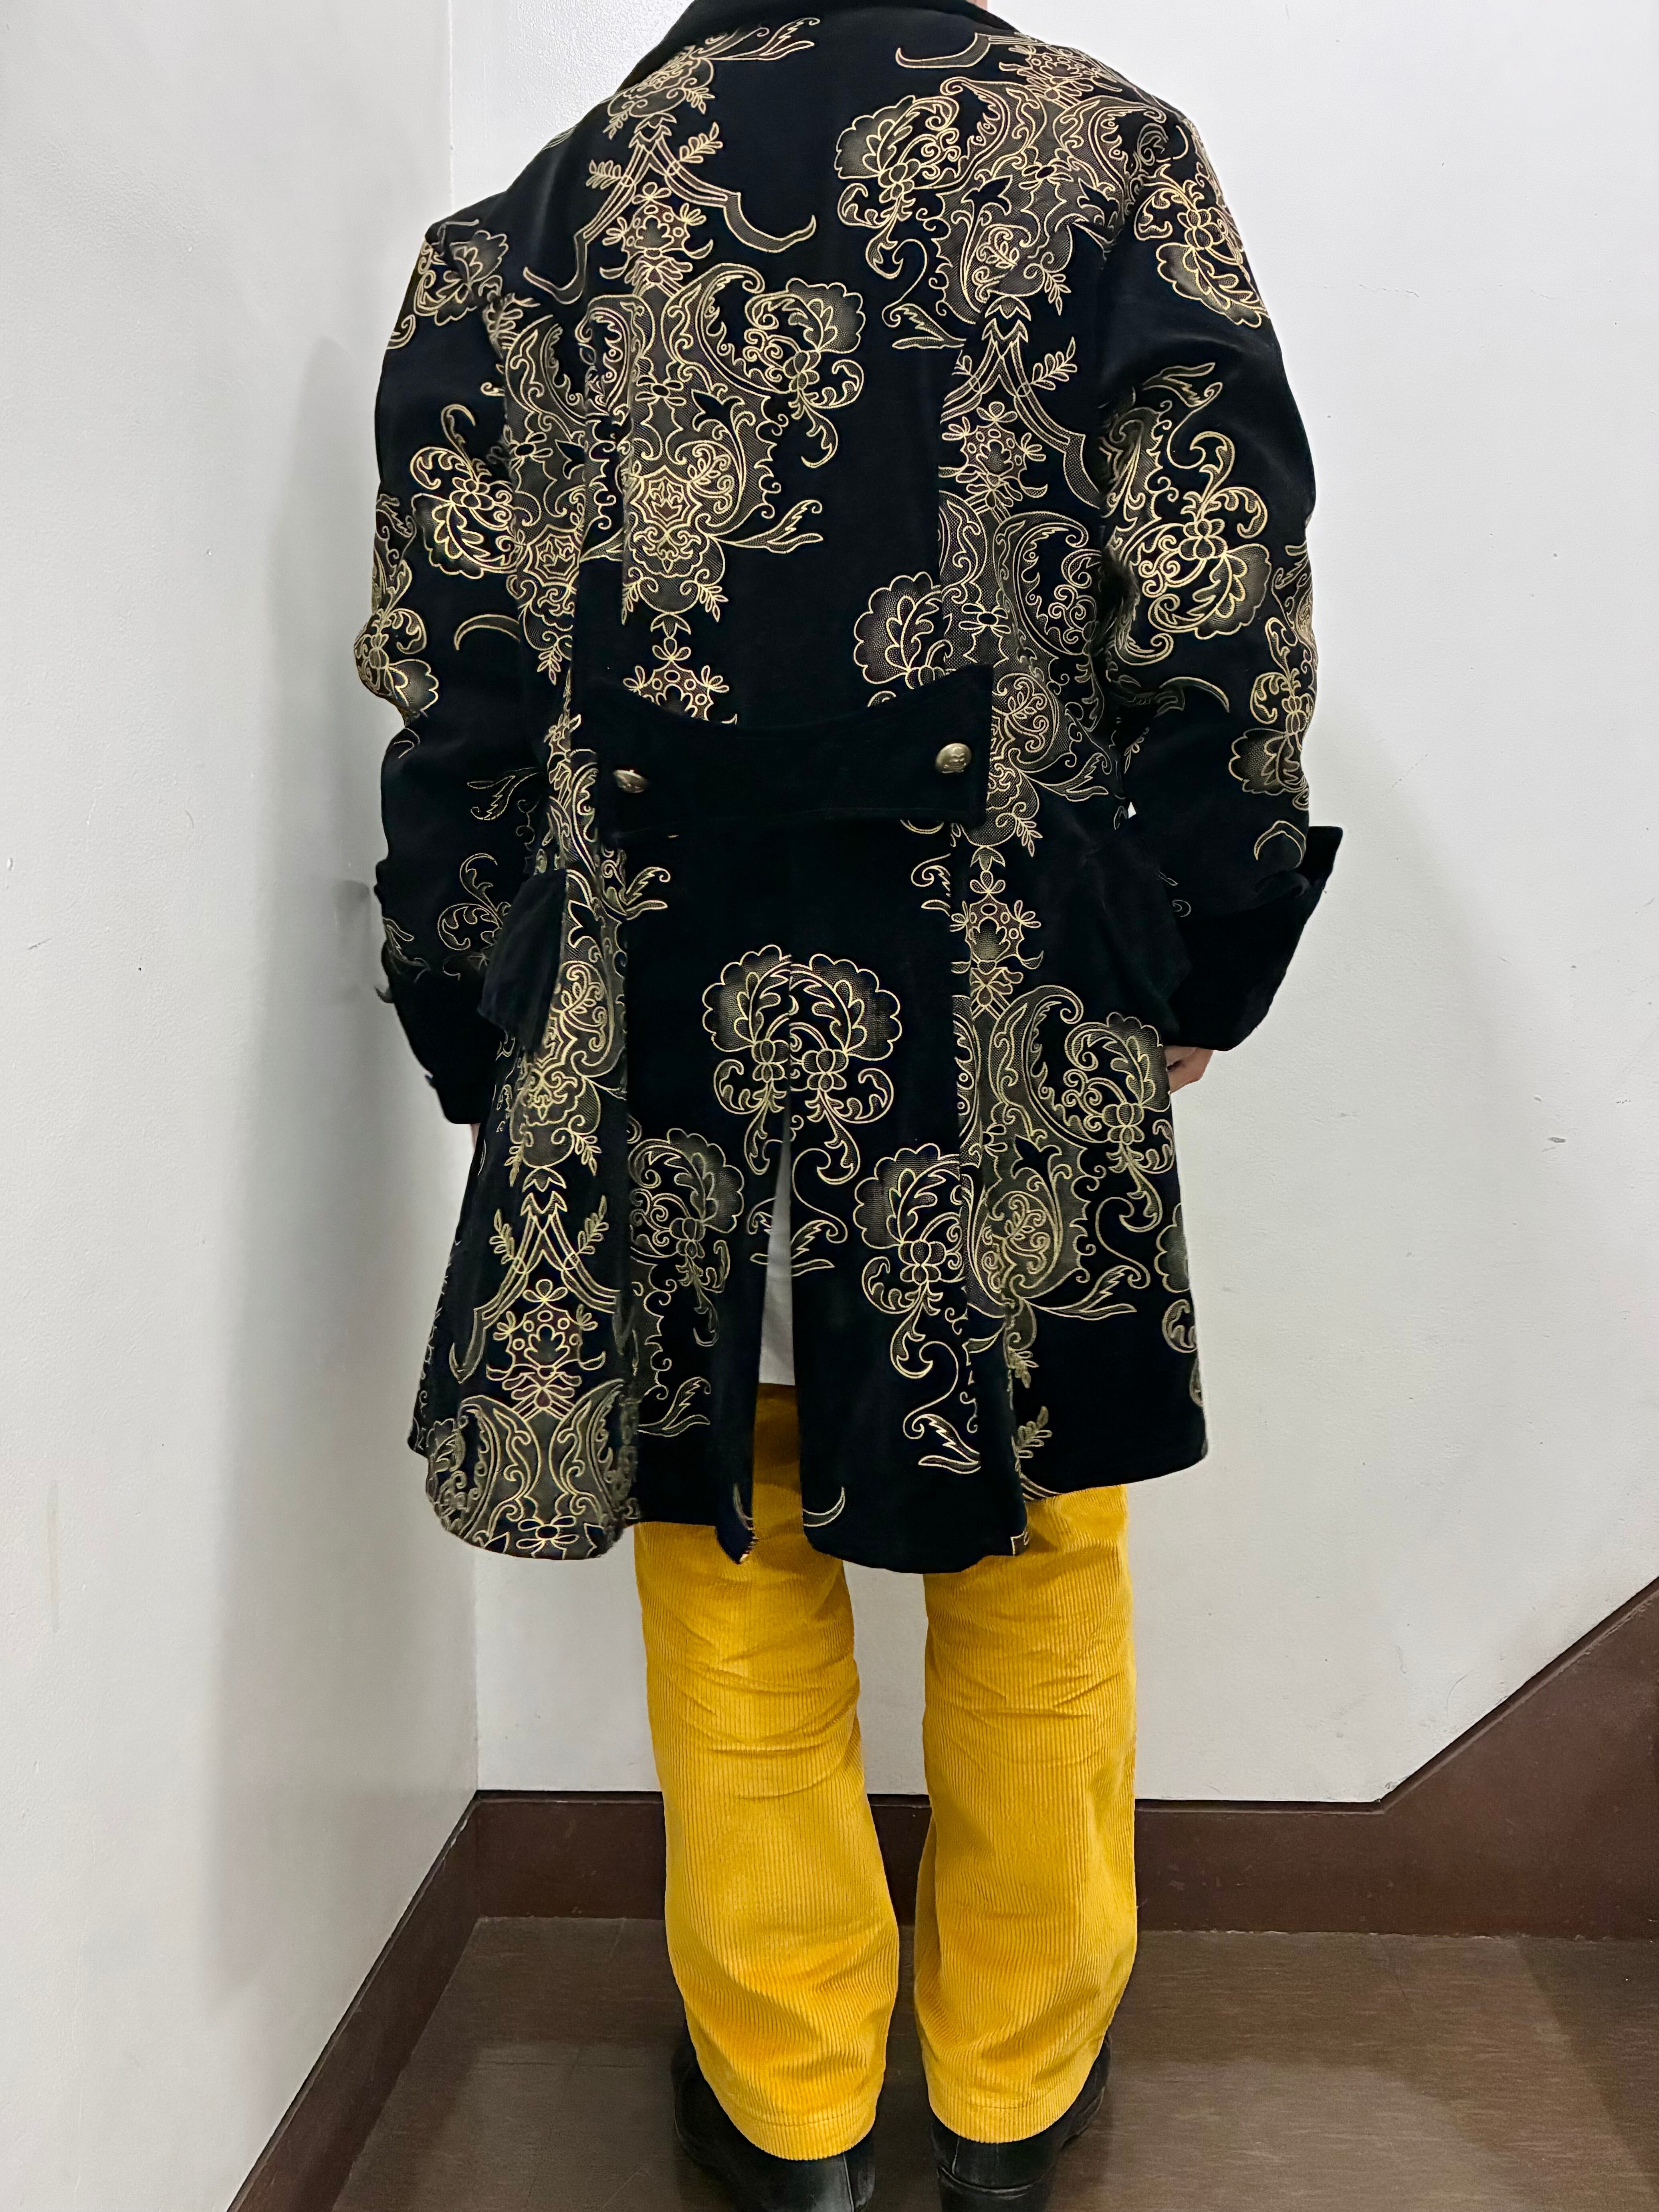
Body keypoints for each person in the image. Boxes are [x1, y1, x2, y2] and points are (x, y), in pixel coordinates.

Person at [355, 1, 1338, 2206]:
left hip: (645, 995)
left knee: (725, 1517)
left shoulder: (520, 233)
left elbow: (462, 685)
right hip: (1003, 978)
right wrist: (1202, 934)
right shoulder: (1107, 157)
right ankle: (1011, 2087)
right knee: (1040, 1514)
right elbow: (1218, 574)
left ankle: (792, 2100)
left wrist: (471, 1004)